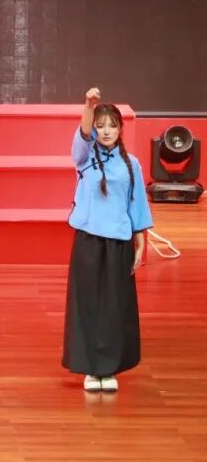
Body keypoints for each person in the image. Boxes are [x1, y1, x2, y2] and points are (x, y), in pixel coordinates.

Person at [63, 88, 152, 393]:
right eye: (100, 125)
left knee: (114, 306)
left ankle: (109, 368)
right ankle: (91, 368)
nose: (106, 131)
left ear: (120, 129)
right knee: (88, 304)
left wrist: (141, 240)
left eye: (112, 125)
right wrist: (89, 106)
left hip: (119, 242)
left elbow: (137, 203)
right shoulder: (84, 157)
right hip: (89, 240)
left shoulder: (131, 164)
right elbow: (83, 134)